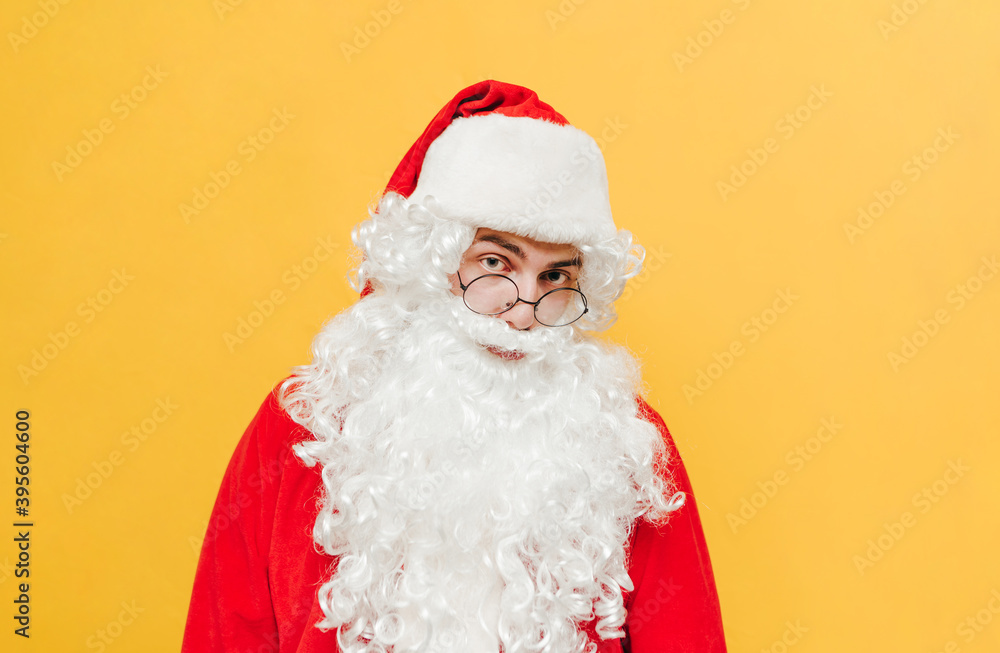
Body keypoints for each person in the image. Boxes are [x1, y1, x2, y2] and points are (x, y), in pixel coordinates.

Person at [182, 80, 726, 653]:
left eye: (555, 277)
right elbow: (227, 627)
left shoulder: (623, 439)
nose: (521, 311)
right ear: (431, 260)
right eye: (495, 261)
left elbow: (685, 634)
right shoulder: (307, 422)